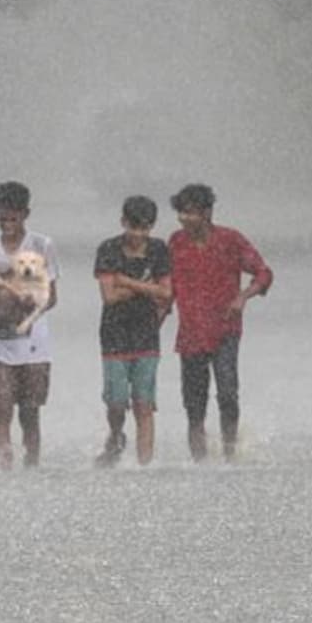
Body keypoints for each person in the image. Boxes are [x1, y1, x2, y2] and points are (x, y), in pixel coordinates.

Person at [165, 183, 273, 463]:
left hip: (225, 330)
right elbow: (168, 285)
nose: (184, 219)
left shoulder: (230, 240)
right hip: (190, 333)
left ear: (207, 213)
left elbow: (263, 273)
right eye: (181, 213)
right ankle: (199, 461)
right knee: (194, 404)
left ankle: (230, 454)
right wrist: (159, 314)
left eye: (190, 213)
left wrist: (243, 296)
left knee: (227, 394)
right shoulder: (176, 242)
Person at [0, 181, 60, 470]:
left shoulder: (42, 246)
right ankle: (2, 469)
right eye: (2, 218)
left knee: (30, 413)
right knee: (1, 408)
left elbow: (51, 297)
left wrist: (27, 302)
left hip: (35, 346)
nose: (8, 224)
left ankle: (31, 467)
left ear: (25, 214)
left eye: (13, 218)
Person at [93, 195, 172, 468]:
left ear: (152, 226)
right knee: (116, 403)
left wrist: (126, 281)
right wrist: (148, 287)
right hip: (114, 336)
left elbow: (166, 292)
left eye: (145, 228)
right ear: (123, 222)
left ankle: (144, 465)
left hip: (147, 334)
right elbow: (109, 297)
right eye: (134, 227)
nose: (138, 234)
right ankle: (116, 436)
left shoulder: (159, 250)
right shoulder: (108, 249)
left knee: (144, 404)